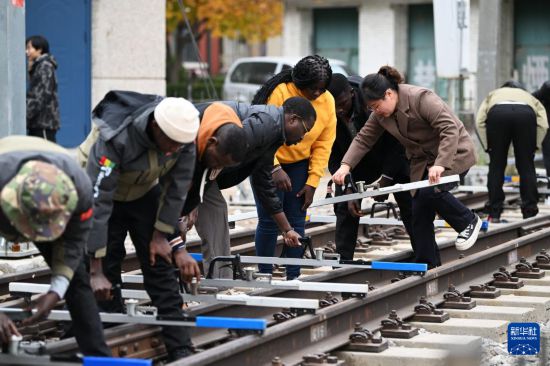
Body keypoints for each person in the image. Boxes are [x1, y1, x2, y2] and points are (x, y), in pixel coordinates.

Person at [77, 91, 241, 361]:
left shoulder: (184, 138)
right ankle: (109, 332)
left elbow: (175, 190)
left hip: (142, 190)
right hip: (102, 192)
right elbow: (99, 201)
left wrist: (163, 236)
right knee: (106, 266)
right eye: (170, 143)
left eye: (181, 145)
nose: (175, 150)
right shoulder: (116, 138)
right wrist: (95, 267)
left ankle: (180, 345)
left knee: (161, 266)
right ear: (155, 127)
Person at [332, 66, 481, 270]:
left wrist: (440, 164)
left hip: (454, 153)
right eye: (371, 109)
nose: (375, 112)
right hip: (423, 162)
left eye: (377, 106)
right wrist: (345, 166)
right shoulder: (380, 114)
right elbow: (363, 139)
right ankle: (427, 262)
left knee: (431, 191)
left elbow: (449, 129)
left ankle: (468, 221)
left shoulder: (421, 98)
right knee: (418, 209)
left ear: (389, 94)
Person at [176, 97, 317, 278]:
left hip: (203, 170)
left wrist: (286, 229)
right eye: (304, 130)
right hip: (188, 157)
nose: (302, 138)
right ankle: (209, 280)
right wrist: (193, 201)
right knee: (183, 218)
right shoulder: (265, 125)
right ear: (292, 119)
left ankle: (220, 282)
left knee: (215, 210)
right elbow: (215, 153)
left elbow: (263, 183)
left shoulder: (273, 134)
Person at [0, 135, 110, 356]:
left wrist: (56, 291)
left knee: (77, 278)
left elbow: (73, 244)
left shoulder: (81, 191)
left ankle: (97, 354)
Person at [251, 55, 336, 279]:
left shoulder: (328, 101)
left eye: (322, 89)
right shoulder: (280, 92)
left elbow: (324, 143)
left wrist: (312, 181)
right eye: (313, 89)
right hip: (267, 160)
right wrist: (274, 168)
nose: (318, 93)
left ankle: (293, 275)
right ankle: (264, 274)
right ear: (300, 83)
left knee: (297, 220)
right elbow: (263, 133)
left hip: (300, 164)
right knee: (269, 220)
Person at [327, 73, 414, 259]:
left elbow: (396, 143)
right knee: (344, 204)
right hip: (353, 163)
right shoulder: (326, 112)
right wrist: (347, 185)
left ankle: (426, 255)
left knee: (409, 201)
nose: (339, 110)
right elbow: (333, 154)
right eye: (334, 106)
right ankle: (343, 263)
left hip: (389, 155)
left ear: (351, 93)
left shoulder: (371, 104)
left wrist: (387, 177)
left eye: (342, 104)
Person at [476, 81, 548, 221]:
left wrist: (487, 146)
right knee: (526, 165)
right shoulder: (528, 96)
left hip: (497, 114)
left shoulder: (494, 94)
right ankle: (529, 210)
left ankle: (495, 211)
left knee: (496, 165)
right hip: (525, 115)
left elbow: (479, 120)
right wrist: (535, 145)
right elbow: (543, 123)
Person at [26, 35, 60, 142]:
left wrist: (25, 116)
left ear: (39, 49)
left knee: (46, 155)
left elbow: (40, 96)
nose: (26, 52)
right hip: (38, 123)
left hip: (44, 123)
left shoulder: (45, 66)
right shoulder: (39, 66)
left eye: (29, 48)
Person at [532, 81, 550, 181]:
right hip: (547, 127)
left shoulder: (546, 88)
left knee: (548, 155)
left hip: (547, 126)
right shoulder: (546, 88)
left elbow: (530, 98)